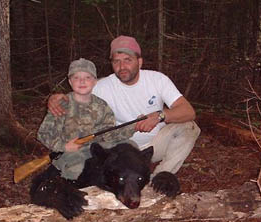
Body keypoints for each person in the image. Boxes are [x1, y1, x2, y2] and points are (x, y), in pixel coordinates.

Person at [48, 36, 201, 177]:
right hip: (122, 149)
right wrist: (55, 98)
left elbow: (188, 111)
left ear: (139, 61)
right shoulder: (103, 86)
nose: (122, 66)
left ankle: (160, 178)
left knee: (190, 127)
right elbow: (73, 98)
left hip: (155, 146)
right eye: (116, 61)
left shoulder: (158, 80)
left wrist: (159, 116)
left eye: (128, 60)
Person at [38, 58, 138, 180]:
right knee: (79, 171)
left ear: (95, 81)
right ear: (70, 81)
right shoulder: (61, 104)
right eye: (76, 78)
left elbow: (109, 134)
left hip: (96, 149)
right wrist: (63, 146)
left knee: (130, 146)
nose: (82, 81)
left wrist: (134, 126)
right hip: (70, 153)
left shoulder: (102, 105)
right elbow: (43, 134)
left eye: (87, 77)